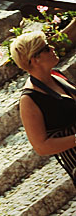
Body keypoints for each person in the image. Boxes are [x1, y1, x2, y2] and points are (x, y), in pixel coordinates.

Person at [11, 24, 76, 184]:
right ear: (35, 59)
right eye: (47, 48)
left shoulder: (56, 75)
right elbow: (41, 146)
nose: (53, 48)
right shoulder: (29, 99)